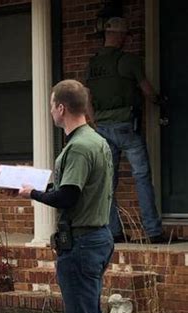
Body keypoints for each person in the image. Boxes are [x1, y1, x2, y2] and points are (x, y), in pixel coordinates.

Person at [8, 80, 147, 313]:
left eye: (51, 105)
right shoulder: (96, 141)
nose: (51, 110)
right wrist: (37, 183)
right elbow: (74, 187)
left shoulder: (81, 146)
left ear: (60, 108)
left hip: (82, 244)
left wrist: (32, 193)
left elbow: (68, 196)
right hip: (95, 237)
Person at [86, 17, 165, 243]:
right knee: (141, 177)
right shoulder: (129, 61)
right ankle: (154, 232)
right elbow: (148, 91)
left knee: (108, 182)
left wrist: (95, 123)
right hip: (126, 128)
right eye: (124, 36)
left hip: (102, 128)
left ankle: (115, 232)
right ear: (120, 36)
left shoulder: (93, 65)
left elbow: (86, 96)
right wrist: (161, 101)